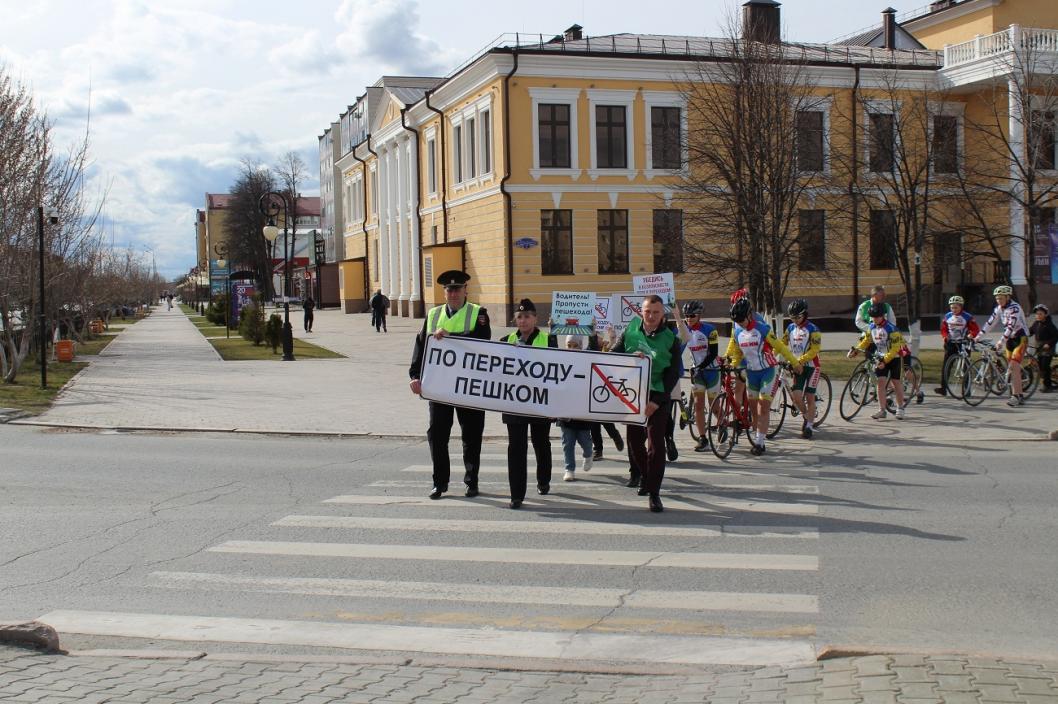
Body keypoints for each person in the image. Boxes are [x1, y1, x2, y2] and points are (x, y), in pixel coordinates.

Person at [408, 270, 491, 499]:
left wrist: (451, 338)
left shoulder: (478, 314)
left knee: (472, 435)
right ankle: (439, 483)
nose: (453, 293)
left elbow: (484, 345)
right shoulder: (433, 314)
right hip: (440, 386)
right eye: (449, 290)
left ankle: (471, 481)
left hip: (469, 386)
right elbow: (420, 347)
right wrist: (415, 375)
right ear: (444, 293)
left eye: (457, 289)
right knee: (437, 435)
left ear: (466, 290)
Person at [610, 295, 683, 513]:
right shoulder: (630, 330)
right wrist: (631, 357)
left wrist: (656, 401)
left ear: (663, 314)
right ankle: (644, 475)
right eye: (647, 311)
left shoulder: (671, 339)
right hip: (632, 393)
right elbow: (613, 356)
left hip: (658, 395)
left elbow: (673, 374)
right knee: (634, 441)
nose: (651, 316)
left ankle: (654, 493)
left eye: (656, 312)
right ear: (641, 311)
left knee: (656, 444)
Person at [725, 297, 801, 455]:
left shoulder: (762, 329)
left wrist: (794, 362)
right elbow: (738, 353)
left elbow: (781, 347)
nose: (739, 323)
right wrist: (732, 364)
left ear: (749, 315)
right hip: (751, 374)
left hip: (767, 371)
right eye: (736, 321)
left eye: (741, 320)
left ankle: (760, 443)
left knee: (763, 407)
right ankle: (757, 435)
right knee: (753, 410)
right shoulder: (738, 331)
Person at [501, 299, 556, 509]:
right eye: (520, 317)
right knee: (516, 447)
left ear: (536, 318)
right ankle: (516, 494)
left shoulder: (548, 339)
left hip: (540, 401)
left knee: (541, 443)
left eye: (527, 316)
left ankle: (543, 480)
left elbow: (557, 373)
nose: (523, 321)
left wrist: (555, 406)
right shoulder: (506, 340)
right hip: (514, 402)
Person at [848, 302, 907, 420]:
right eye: (872, 317)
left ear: (883, 316)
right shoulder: (871, 327)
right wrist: (857, 350)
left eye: (876, 317)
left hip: (894, 358)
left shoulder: (891, 329)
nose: (874, 319)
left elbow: (895, 348)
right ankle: (882, 410)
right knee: (880, 383)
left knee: (896, 383)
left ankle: (900, 408)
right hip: (880, 357)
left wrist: (884, 360)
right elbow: (866, 341)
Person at [676, 300, 720, 452]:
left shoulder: (710, 330)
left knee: (714, 408)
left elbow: (713, 353)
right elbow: (677, 351)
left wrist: (701, 367)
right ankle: (703, 438)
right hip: (697, 373)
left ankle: (722, 424)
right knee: (699, 406)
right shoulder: (685, 331)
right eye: (687, 316)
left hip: (712, 371)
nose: (689, 318)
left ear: (699, 315)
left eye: (692, 315)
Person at [977, 285, 1029, 407]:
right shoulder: (999, 308)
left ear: (1007, 297)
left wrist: (1001, 341)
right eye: (997, 298)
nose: (999, 301)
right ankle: (1020, 395)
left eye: (1001, 298)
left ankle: (1015, 396)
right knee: (1011, 368)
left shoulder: (1015, 308)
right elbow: (990, 323)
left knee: (1014, 366)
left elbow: (1010, 327)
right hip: (1010, 340)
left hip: (1020, 338)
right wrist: (978, 337)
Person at [782, 299, 823, 439]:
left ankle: (809, 426)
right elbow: (782, 344)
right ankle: (807, 416)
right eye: (792, 317)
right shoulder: (790, 328)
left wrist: (797, 361)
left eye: (797, 317)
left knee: (809, 397)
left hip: (812, 367)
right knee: (797, 398)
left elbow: (814, 350)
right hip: (797, 367)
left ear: (804, 314)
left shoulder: (814, 329)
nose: (794, 320)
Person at [559, 335, 595, 483]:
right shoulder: (561, 359)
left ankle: (588, 455)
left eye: (575, 345)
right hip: (566, 413)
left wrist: (592, 332)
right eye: (569, 345)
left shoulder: (585, 359)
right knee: (567, 443)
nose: (572, 348)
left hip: (582, 413)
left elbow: (594, 351)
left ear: (581, 346)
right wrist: (553, 329)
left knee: (585, 441)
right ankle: (569, 469)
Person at [586, 330, 625, 460]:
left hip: (604, 390)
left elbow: (613, 352)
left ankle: (615, 435)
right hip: (591, 391)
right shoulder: (588, 350)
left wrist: (613, 338)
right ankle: (598, 449)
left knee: (605, 420)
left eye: (599, 338)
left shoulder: (606, 350)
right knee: (593, 425)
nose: (598, 340)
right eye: (595, 338)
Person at [934, 295, 980, 396]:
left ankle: (966, 390)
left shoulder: (967, 316)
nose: (954, 309)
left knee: (965, 366)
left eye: (956, 307)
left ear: (961, 307)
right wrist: (945, 336)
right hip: (951, 344)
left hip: (963, 343)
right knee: (946, 366)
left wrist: (971, 334)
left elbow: (975, 329)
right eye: (952, 307)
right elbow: (944, 329)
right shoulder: (947, 316)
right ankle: (943, 388)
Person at [1029, 304, 1057, 393]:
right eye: (1037, 314)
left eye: (1040, 314)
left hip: (1048, 347)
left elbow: (1056, 336)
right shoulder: (1036, 323)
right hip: (1039, 347)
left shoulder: (1049, 324)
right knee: (1040, 366)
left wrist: (1049, 344)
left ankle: (1048, 386)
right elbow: (1030, 331)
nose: (1038, 316)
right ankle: (1047, 379)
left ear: (1045, 314)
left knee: (1045, 366)